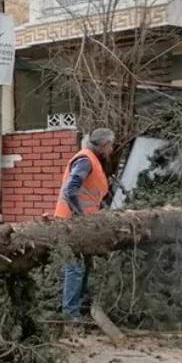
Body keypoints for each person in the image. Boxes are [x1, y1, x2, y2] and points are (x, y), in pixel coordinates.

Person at [54, 128, 115, 321]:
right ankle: (70, 315)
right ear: (104, 145)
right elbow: (70, 190)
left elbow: (91, 194)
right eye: (111, 145)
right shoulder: (85, 161)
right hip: (72, 223)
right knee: (76, 267)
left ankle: (77, 307)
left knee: (84, 266)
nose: (112, 149)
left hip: (83, 224)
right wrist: (81, 215)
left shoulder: (92, 161)